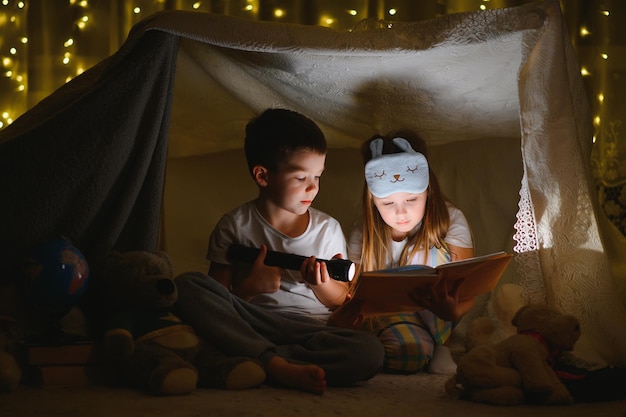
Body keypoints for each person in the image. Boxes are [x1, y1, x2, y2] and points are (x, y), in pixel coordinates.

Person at [173, 108, 384, 395]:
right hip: (252, 322)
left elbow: (338, 301)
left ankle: (259, 359)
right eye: (300, 178)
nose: (313, 187)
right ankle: (276, 365)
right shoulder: (234, 226)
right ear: (263, 175)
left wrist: (321, 286)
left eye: (318, 176)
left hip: (309, 329)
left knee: (369, 351)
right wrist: (248, 288)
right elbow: (218, 296)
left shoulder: (327, 229)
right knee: (187, 286)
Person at [329, 129, 475, 375]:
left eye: (411, 200)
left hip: (440, 313)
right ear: (372, 201)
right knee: (407, 354)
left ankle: (443, 346)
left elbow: (468, 285)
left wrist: (453, 311)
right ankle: (409, 346)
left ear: (427, 191)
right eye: (388, 203)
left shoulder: (450, 219)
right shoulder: (365, 230)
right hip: (389, 315)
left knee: (433, 256)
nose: (401, 213)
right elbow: (353, 289)